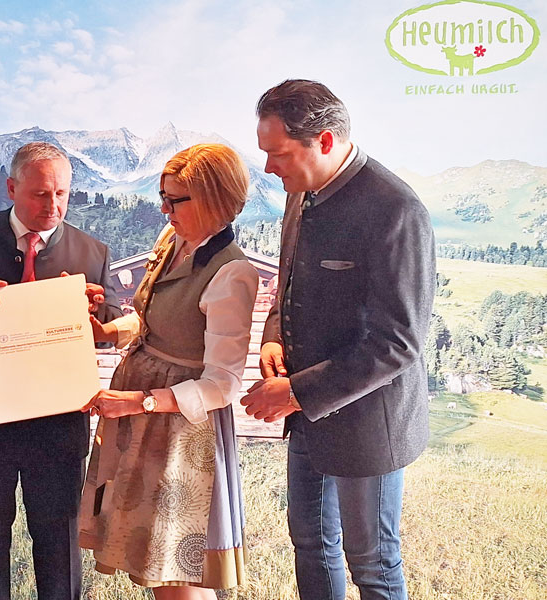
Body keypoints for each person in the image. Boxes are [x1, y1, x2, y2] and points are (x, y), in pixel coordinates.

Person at [241, 79, 435, 600]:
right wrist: (273, 336)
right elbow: (287, 281)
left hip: (369, 424)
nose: (267, 168)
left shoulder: (396, 210)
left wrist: (297, 392)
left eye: (277, 153)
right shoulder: (300, 192)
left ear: (325, 141)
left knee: (371, 562)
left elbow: (398, 341)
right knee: (309, 541)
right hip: (306, 414)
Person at [0, 142, 121, 600]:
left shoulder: (93, 251)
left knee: (59, 552)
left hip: (57, 430)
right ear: (11, 188)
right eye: (40, 195)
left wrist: (97, 315)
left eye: (62, 195)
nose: (53, 206)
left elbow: (108, 324)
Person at [79, 144, 258, 599]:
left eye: (176, 199)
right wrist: (107, 329)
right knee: (154, 568)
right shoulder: (173, 239)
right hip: (143, 417)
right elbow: (150, 318)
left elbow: (223, 383)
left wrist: (142, 402)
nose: (164, 208)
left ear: (215, 199)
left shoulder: (232, 273)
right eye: (164, 196)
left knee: (176, 575)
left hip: (179, 433)